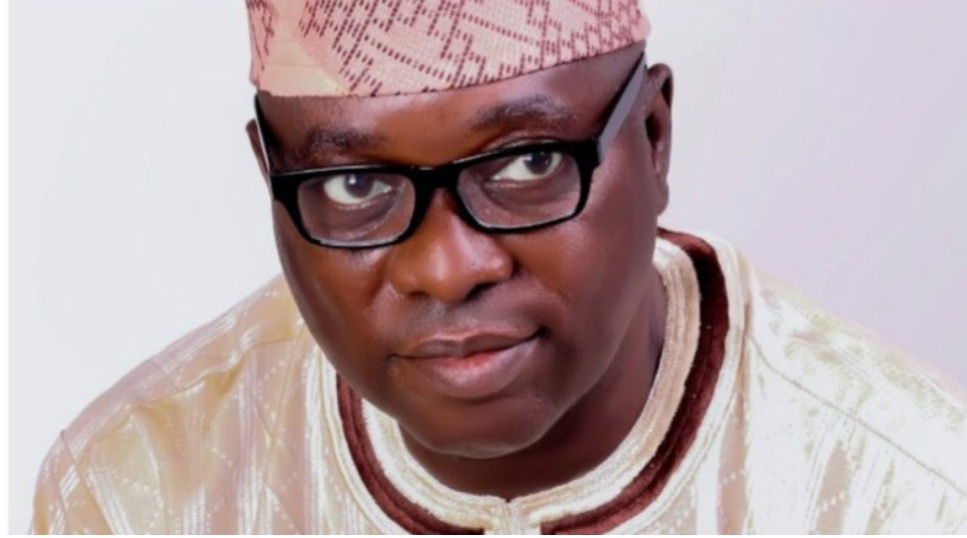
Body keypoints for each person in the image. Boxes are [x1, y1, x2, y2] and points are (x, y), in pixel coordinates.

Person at [30, 1, 967, 533]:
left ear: (652, 137)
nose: (445, 267)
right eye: (355, 185)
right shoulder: (140, 491)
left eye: (526, 164)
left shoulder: (903, 495)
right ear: (271, 181)